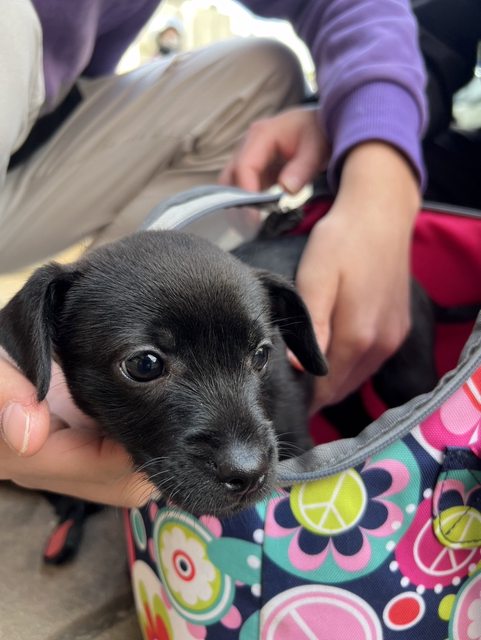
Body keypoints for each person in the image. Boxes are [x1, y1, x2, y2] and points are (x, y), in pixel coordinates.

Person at [0, 0, 426, 507]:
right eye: (147, 365)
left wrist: (380, 181)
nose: (246, 459)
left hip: (52, 129)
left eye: (259, 355)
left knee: (266, 64)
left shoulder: (253, 318)